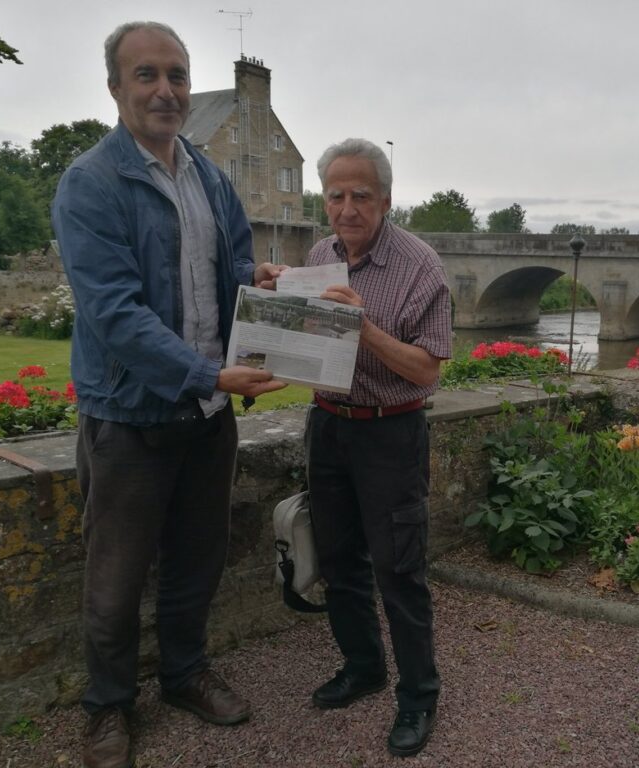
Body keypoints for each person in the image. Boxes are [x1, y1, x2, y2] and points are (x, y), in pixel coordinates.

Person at [52, 21, 285, 768]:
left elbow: (237, 269)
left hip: (207, 416)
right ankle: (107, 708)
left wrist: (272, 292)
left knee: (197, 561)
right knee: (115, 581)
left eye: (178, 75)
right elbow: (115, 315)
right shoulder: (90, 182)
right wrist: (208, 374)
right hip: (130, 419)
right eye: (147, 75)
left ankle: (185, 674)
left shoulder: (210, 178)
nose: (166, 90)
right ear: (116, 87)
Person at [264, 138, 451, 757]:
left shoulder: (421, 266)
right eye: (336, 195)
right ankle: (364, 667)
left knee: (399, 570)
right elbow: (300, 341)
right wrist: (274, 299)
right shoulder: (320, 256)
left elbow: (428, 371)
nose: (347, 207)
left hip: (391, 430)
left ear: (386, 200)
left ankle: (418, 697)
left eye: (360, 195)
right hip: (330, 424)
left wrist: (363, 326)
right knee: (341, 560)